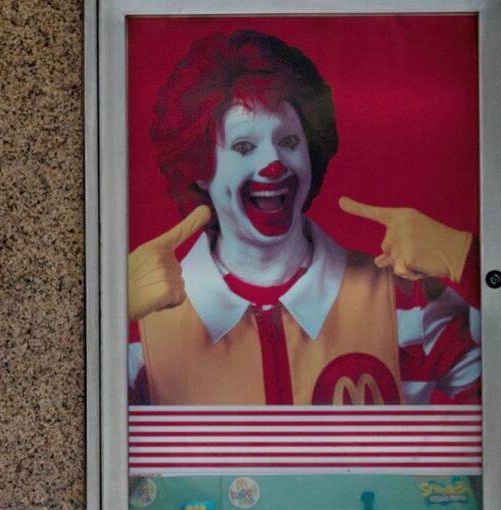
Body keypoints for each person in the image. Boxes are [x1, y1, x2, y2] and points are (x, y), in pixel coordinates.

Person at [128, 30, 480, 406]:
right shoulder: (141, 321)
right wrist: (111, 316)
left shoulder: (407, 299)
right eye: (245, 146)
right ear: (199, 167)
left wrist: (473, 263)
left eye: (289, 142)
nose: (273, 163)